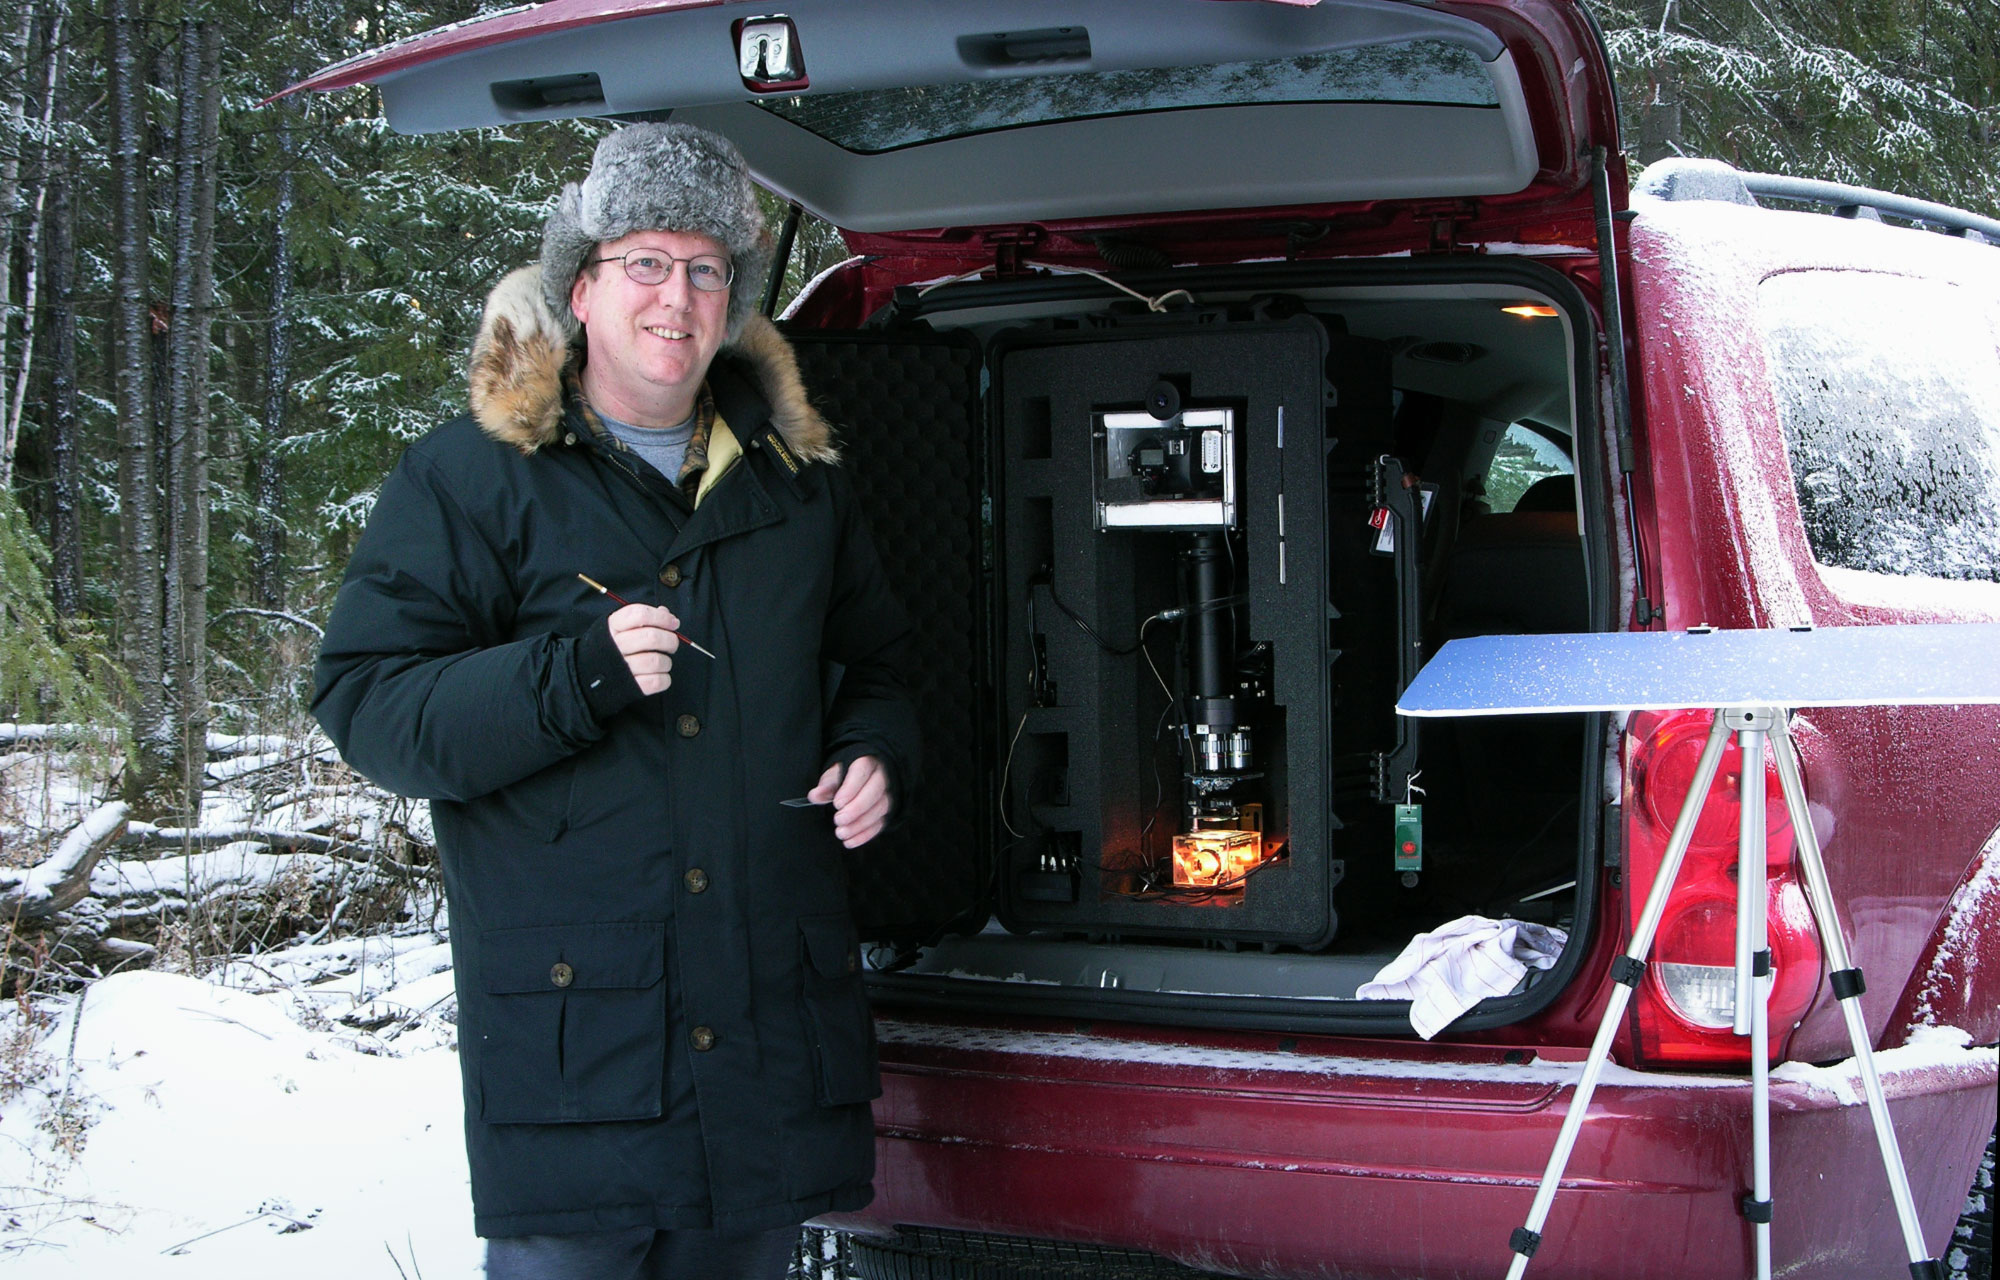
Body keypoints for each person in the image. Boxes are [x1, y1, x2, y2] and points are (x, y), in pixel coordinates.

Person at [312, 123, 917, 1280]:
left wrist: (873, 750)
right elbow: (368, 704)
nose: (675, 297)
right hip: (577, 1053)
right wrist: (570, 673)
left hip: (762, 1044)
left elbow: (877, 667)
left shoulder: (799, 486)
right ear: (580, 287)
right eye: (644, 262)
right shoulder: (470, 477)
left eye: (705, 269)